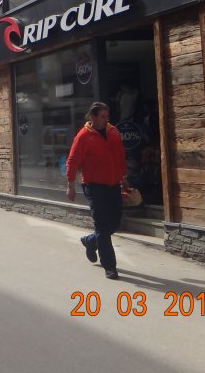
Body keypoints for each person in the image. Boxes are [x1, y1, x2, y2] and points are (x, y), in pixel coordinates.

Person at [66, 101, 128, 280]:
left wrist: (123, 177)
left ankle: (90, 241)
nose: (106, 120)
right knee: (102, 225)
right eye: (102, 117)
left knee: (114, 223)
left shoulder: (113, 132)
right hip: (94, 186)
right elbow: (73, 161)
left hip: (113, 185)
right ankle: (110, 267)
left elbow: (120, 157)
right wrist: (70, 185)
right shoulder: (83, 136)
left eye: (107, 116)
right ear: (93, 117)